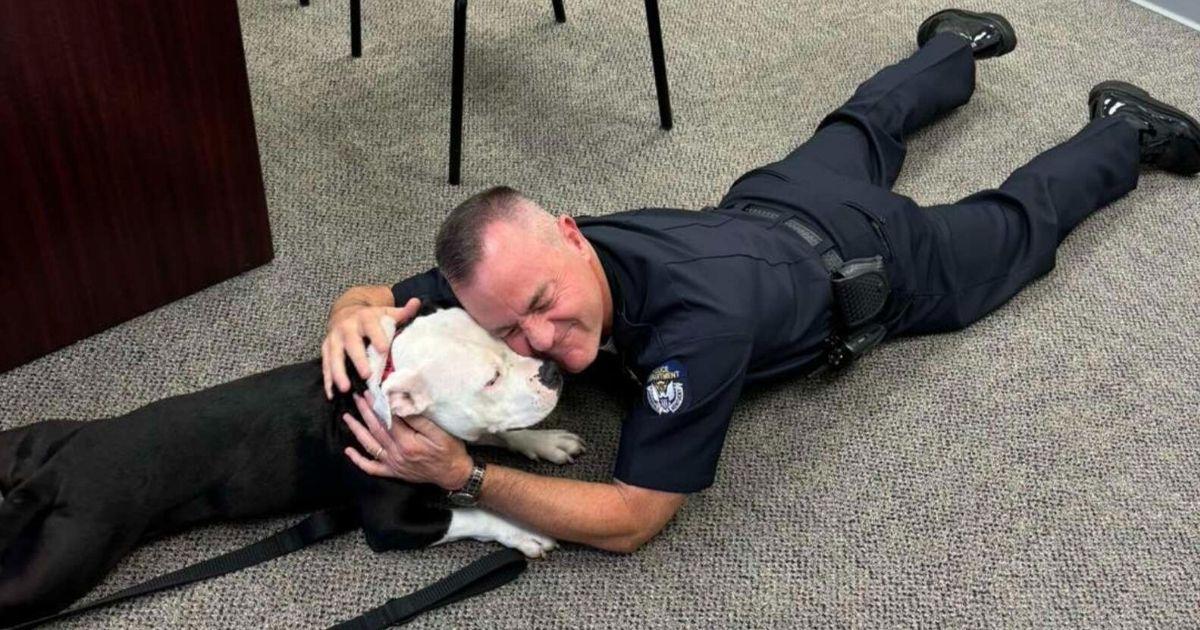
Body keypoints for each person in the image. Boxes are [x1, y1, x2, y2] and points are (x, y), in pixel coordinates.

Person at [321, 9, 1200, 554]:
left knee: (1014, 232)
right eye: (507, 328)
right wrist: (350, 311)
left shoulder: (697, 336)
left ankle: (1125, 128)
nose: (538, 343)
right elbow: (404, 295)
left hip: (874, 261)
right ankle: (955, 42)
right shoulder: (521, 265)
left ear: (570, 236)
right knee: (861, 126)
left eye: (544, 309)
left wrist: (465, 477)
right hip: (768, 203)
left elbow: (632, 520)